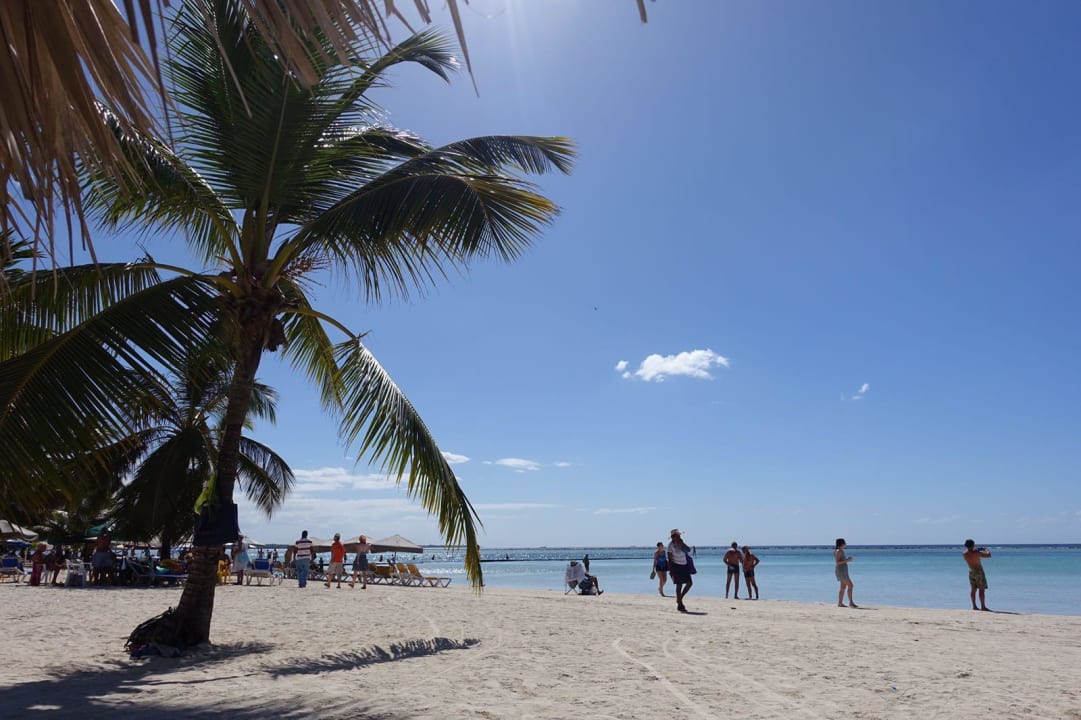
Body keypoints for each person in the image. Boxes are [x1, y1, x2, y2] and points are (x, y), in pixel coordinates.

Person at [667, 529, 693, 612]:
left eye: (679, 535)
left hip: (684, 565)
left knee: (689, 583)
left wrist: (682, 544)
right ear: (673, 537)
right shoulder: (670, 545)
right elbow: (670, 559)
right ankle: (680, 604)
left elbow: (689, 550)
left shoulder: (682, 543)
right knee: (679, 585)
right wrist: (671, 571)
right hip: (676, 566)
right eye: (677, 535)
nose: (679, 536)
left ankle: (679, 598)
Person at [963, 539, 992, 611]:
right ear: (973, 545)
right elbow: (989, 555)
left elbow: (970, 552)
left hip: (971, 571)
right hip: (978, 571)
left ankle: (974, 606)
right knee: (981, 590)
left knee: (973, 589)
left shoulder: (964, 553)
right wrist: (986, 549)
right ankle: (983, 606)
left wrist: (975, 549)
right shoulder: (976, 553)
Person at [834, 538, 857, 608]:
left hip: (843, 570)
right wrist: (847, 560)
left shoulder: (841, 551)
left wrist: (847, 560)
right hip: (841, 570)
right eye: (844, 543)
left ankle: (840, 603)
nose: (845, 544)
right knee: (851, 585)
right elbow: (837, 562)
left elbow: (841, 560)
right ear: (841, 544)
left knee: (843, 587)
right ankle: (851, 603)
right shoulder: (838, 551)